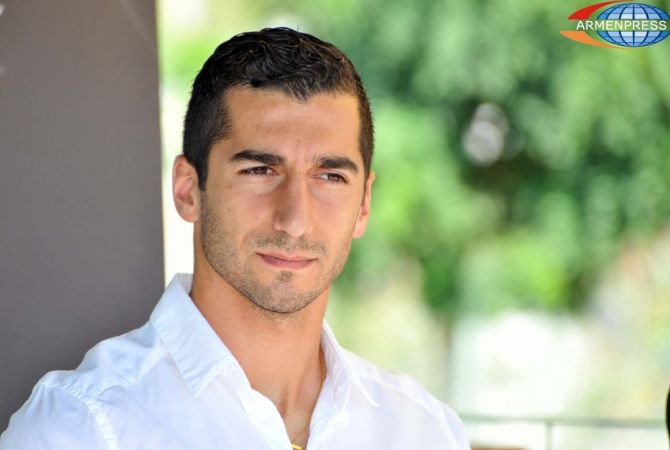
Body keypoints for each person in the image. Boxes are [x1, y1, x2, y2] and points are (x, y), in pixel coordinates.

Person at [0, 27, 469, 449]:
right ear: (188, 190)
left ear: (364, 203)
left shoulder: (424, 432)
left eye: (330, 177)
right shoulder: (81, 428)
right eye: (260, 170)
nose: (295, 220)